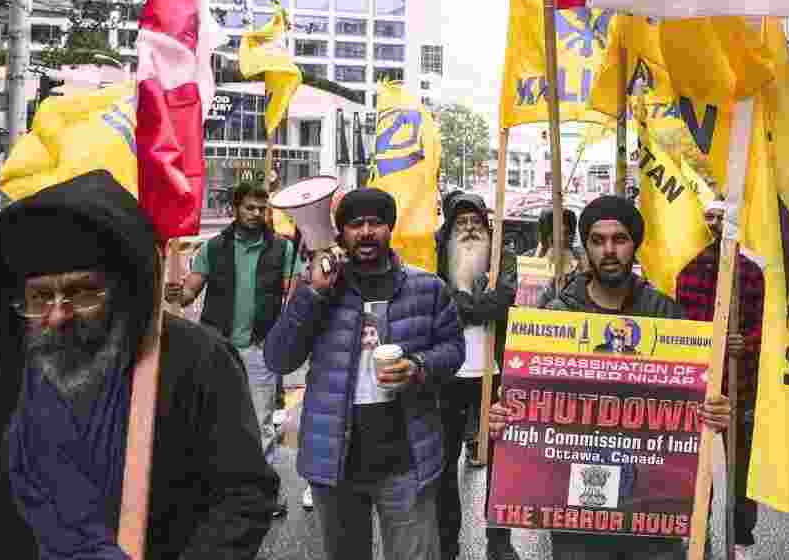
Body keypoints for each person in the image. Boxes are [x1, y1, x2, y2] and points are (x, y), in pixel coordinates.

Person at [0, 170, 279, 558]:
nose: (58, 316)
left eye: (82, 293)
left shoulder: (197, 362)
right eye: (40, 297)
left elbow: (243, 496)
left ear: (124, 292)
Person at [486, 194, 732, 560]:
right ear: (585, 247)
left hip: (651, 504)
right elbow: (527, 402)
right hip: (577, 502)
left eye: (619, 239)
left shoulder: (667, 315)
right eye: (598, 241)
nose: (609, 250)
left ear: (635, 244)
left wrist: (716, 412)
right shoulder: (556, 316)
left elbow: (695, 405)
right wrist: (505, 416)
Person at [264, 187, 464, 560]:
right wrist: (312, 294)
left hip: (407, 459)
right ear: (341, 233)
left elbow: (454, 350)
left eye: (376, 222)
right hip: (336, 461)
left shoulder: (427, 287)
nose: (367, 232)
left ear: (390, 228)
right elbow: (279, 359)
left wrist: (419, 367)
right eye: (356, 224)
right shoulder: (319, 289)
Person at [164, 181, 301, 516]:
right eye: (250, 207)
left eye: (262, 208)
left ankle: (263, 495)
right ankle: (219, 492)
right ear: (234, 209)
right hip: (217, 347)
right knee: (215, 418)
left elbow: (294, 297)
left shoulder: (282, 250)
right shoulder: (213, 248)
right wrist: (174, 292)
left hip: (261, 348)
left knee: (261, 422)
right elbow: (187, 294)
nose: (257, 214)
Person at [674, 199, 765, 560]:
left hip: (740, 390)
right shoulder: (687, 268)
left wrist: (748, 342)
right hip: (697, 388)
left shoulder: (752, 273)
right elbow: (678, 322)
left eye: (721, 217)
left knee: (741, 472)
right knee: (695, 469)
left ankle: (739, 540)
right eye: (709, 217)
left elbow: (767, 323)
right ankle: (698, 535)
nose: (714, 223)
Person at [433, 192, 520, 560]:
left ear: (487, 226)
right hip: (449, 374)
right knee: (443, 464)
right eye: (461, 222)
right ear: (450, 229)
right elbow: (441, 303)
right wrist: (473, 306)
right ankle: (446, 542)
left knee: (501, 464)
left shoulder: (504, 257)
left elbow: (502, 301)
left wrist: (465, 303)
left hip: (494, 374)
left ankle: (498, 543)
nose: (469, 228)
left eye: (475, 222)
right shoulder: (436, 257)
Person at [534, 207, 583, 273]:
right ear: (544, 235)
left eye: (566, 233)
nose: (562, 239)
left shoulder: (580, 260)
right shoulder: (528, 258)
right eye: (555, 233)